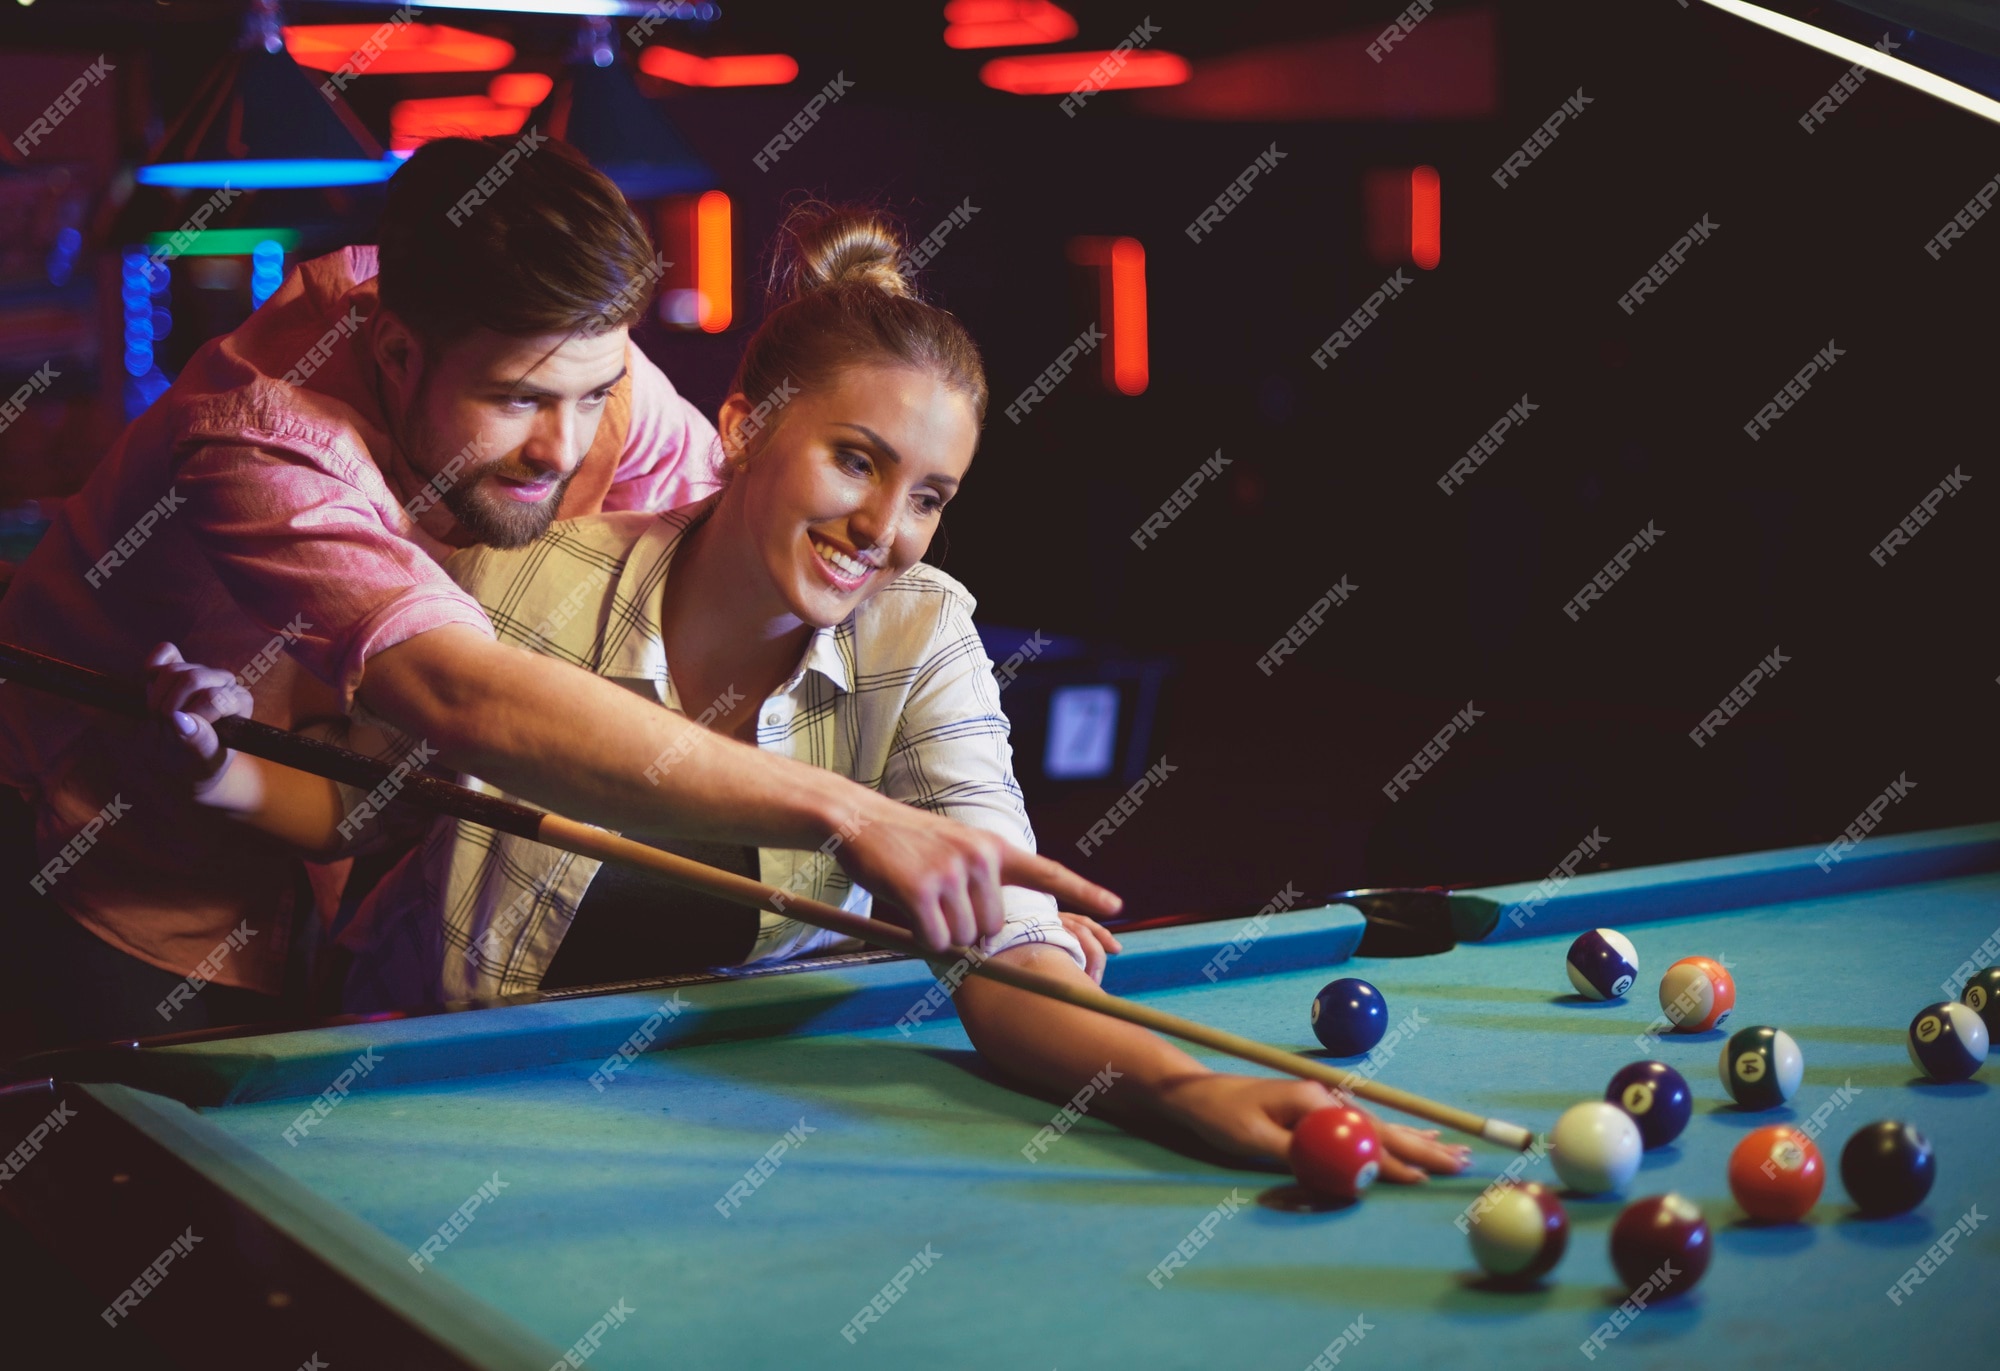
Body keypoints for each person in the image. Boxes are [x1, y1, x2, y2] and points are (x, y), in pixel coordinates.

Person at [149, 204, 1469, 1181]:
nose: (888, 526)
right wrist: (213, 759)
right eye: (856, 458)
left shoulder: (924, 633)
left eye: (933, 494)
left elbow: (999, 943)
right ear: (740, 430)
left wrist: (1180, 1086)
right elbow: (362, 804)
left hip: (743, 1139)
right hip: (443, 1116)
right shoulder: (524, 577)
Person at [0, 137, 1114, 1050]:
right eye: (520, 400)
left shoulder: (587, 371)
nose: (567, 443)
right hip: (122, 875)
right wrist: (861, 818)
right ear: (395, 355)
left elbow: (758, 530)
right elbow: (458, 694)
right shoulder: (259, 440)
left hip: (338, 869)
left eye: (594, 393)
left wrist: (996, 914)